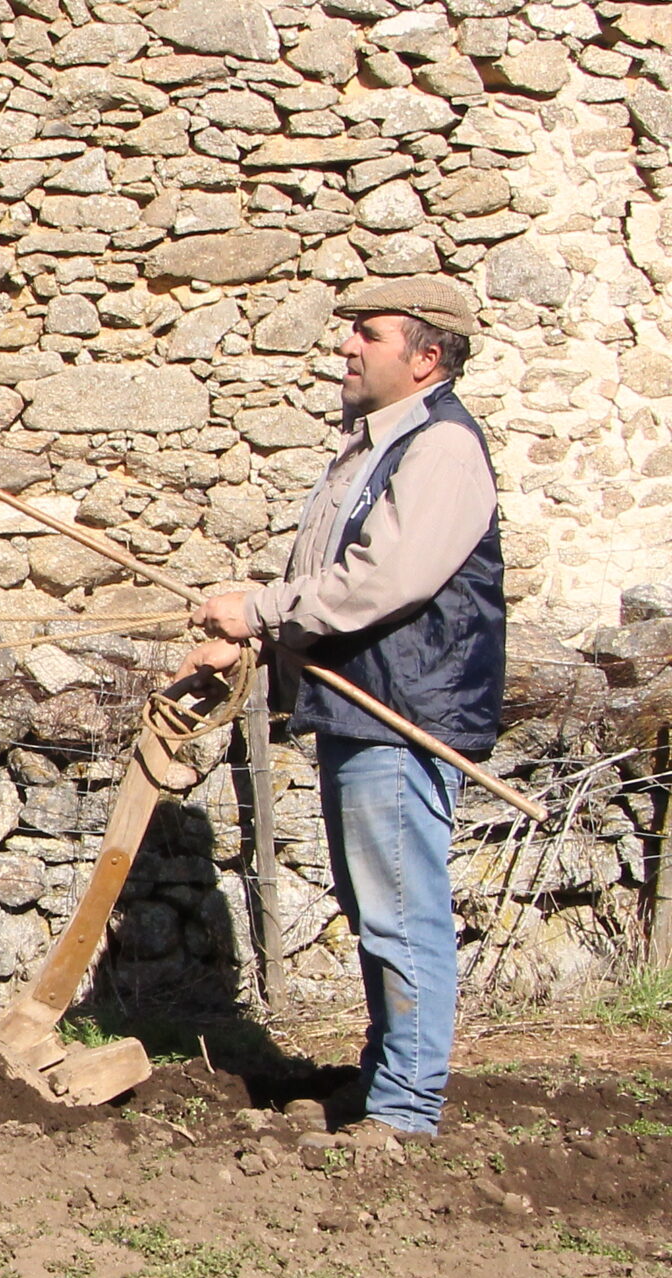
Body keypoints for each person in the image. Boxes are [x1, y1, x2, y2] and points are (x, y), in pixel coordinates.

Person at [177, 277, 504, 1146]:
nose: (348, 349)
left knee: (402, 912)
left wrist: (261, 611)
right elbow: (334, 588)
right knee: (378, 913)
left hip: (403, 713)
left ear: (426, 357)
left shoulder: (439, 449)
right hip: (364, 710)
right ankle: (383, 1082)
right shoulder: (369, 451)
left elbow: (386, 583)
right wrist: (253, 646)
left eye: (370, 334)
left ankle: (404, 1108)